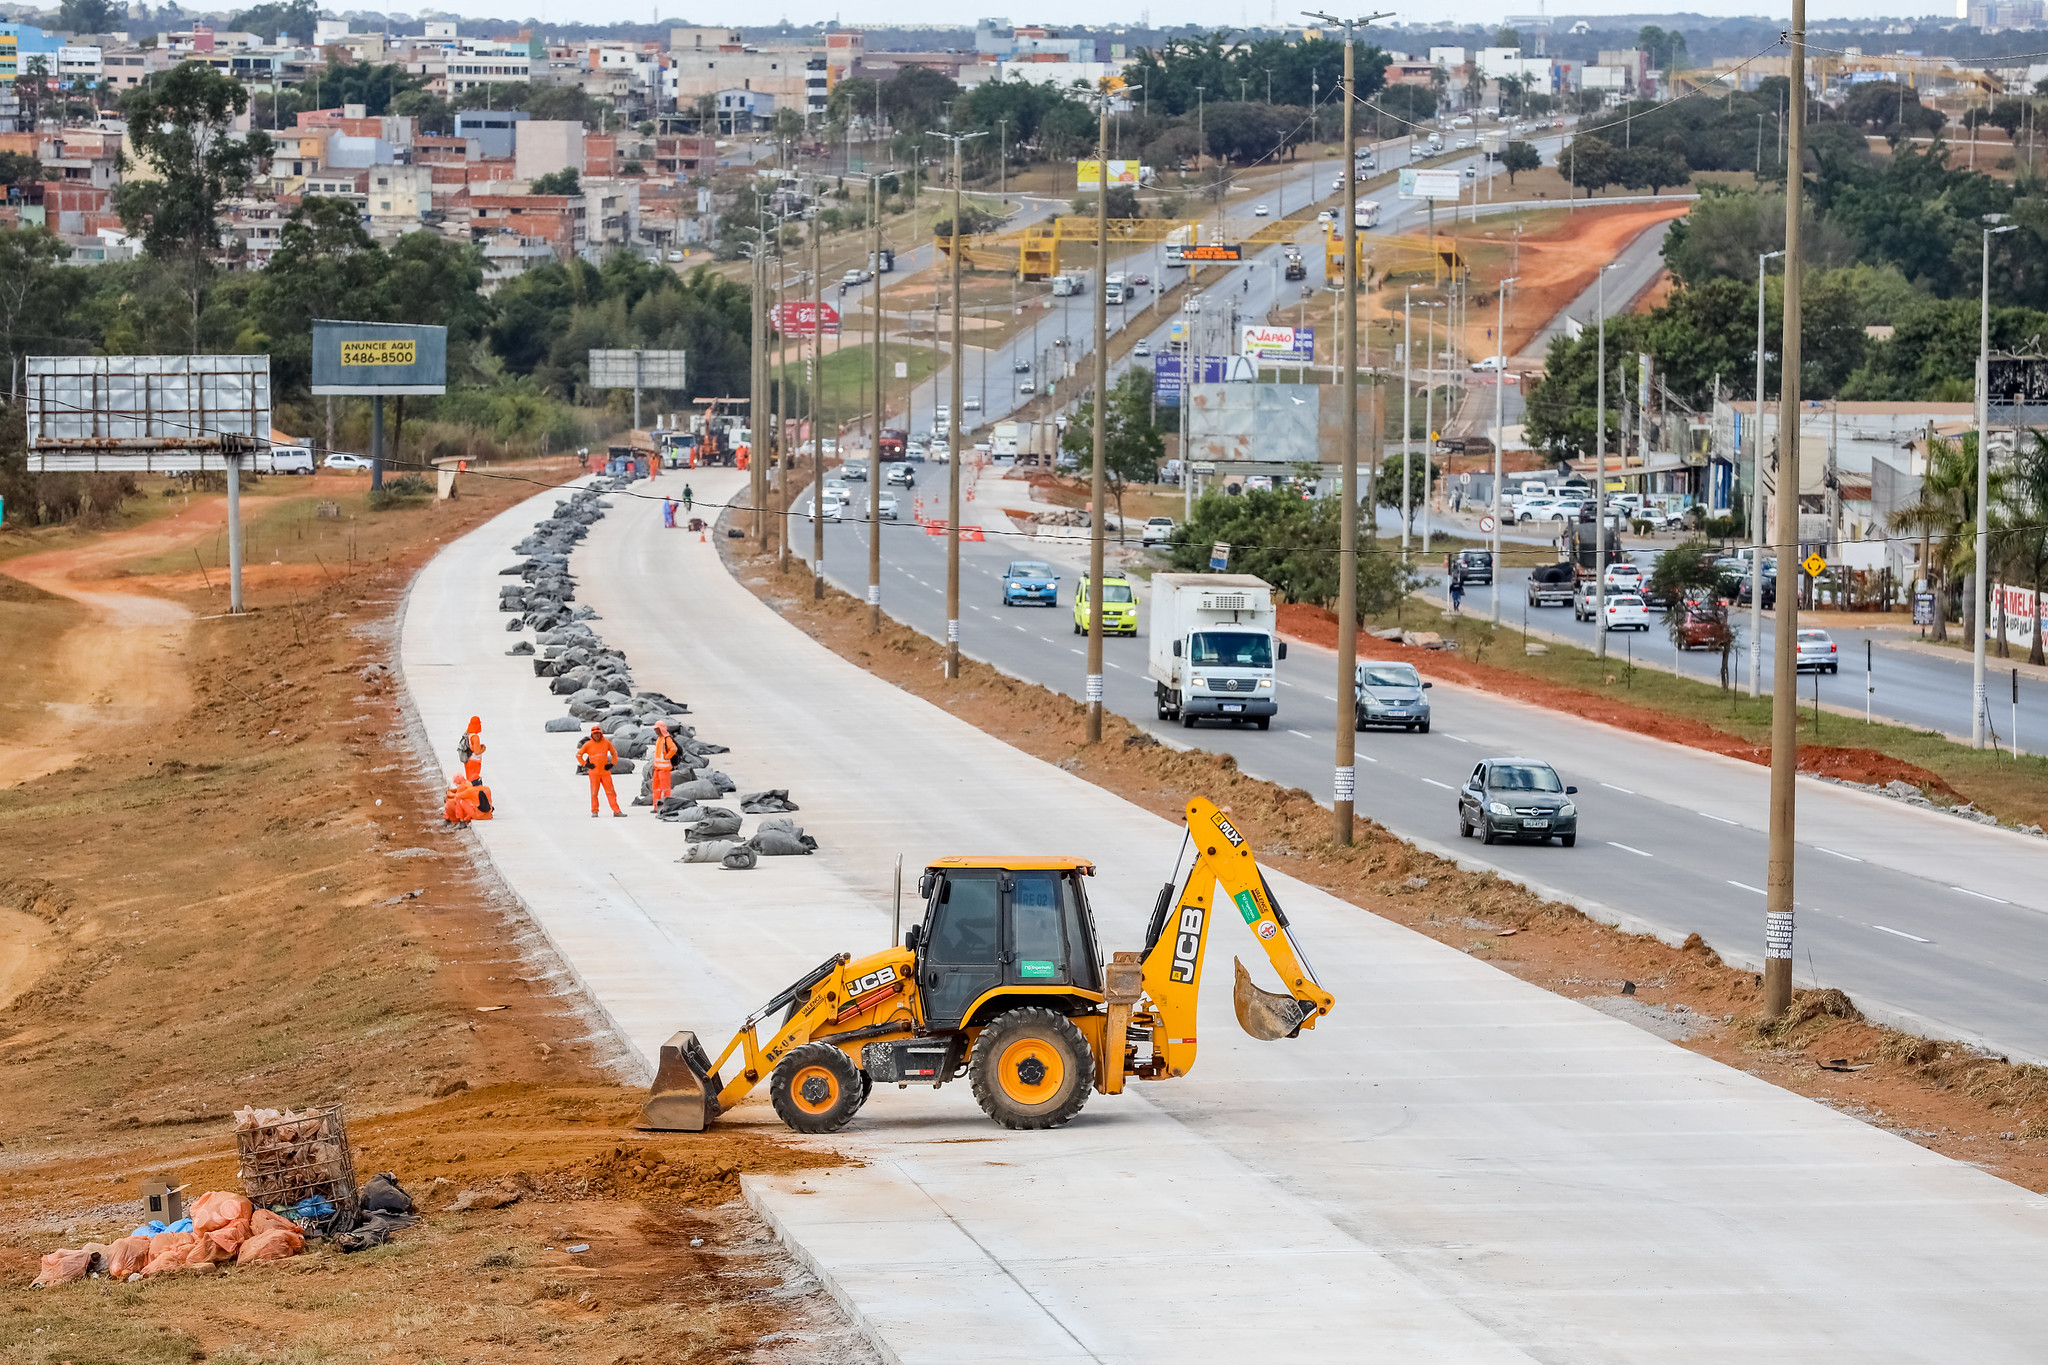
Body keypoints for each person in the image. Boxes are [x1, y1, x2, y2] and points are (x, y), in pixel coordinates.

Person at [576, 725, 625, 818]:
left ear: (601, 734)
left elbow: (614, 753)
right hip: (594, 773)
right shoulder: (588, 745)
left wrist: (612, 764)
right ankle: (594, 811)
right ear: (592, 735)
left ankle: (616, 811)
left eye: (598, 734)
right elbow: (578, 755)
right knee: (594, 793)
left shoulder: (606, 743)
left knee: (611, 792)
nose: (597, 736)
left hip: (605, 772)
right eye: (595, 734)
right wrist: (585, 764)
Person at [650, 721, 680, 804]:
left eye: (656, 729)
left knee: (665, 788)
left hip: (664, 769)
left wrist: (667, 757)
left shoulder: (667, 739)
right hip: (657, 769)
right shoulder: (659, 739)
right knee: (656, 788)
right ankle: (656, 806)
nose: (655, 731)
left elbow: (674, 749)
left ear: (661, 729)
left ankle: (666, 805)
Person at [458, 716, 485, 783]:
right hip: (474, 762)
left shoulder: (468, 734)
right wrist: (483, 749)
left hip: (468, 761)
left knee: (469, 780)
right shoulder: (475, 737)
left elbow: (472, 747)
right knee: (473, 781)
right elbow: (477, 751)